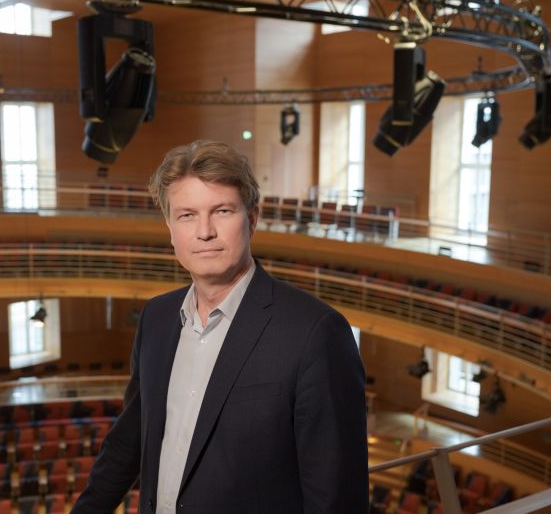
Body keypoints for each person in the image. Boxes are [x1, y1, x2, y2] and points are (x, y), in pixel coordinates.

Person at [71, 140, 368, 514]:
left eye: (222, 211)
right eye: (187, 215)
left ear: (252, 218)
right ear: (170, 228)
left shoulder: (316, 333)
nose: (204, 231)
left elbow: (336, 498)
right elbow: (129, 441)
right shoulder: (156, 318)